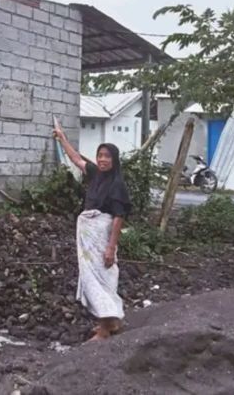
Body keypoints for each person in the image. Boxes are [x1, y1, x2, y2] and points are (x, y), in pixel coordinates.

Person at [53, 126, 132, 341]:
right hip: (88, 238)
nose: (103, 159)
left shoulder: (117, 185)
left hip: (102, 238)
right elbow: (76, 159)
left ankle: (104, 329)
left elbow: (118, 217)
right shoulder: (96, 174)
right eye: (100, 155)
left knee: (101, 280)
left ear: (114, 160)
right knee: (92, 278)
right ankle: (112, 323)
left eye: (107, 156)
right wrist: (62, 138)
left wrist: (111, 247)